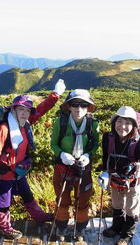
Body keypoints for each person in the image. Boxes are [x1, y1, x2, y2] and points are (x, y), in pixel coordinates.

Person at [0, 79, 66, 239]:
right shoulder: (4, 129)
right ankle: (5, 228)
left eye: (27, 110)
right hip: (4, 174)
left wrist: (55, 95)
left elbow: (41, 110)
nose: (24, 113)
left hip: (19, 172)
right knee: (4, 203)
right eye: (21, 109)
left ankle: (39, 217)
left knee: (27, 196)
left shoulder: (24, 123)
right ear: (13, 109)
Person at [97, 106, 140, 245]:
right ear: (114, 122)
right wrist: (105, 172)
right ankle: (117, 227)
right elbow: (106, 157)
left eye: (128, 123)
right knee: (117, 205)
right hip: (115, 179)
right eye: (119, 121)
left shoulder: (139, 141)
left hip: (133, 182)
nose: (122, 126)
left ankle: (127, 234)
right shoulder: (108, 137)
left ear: (134, 125)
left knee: (131, 209)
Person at [50, 89, 100, 240]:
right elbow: (53, 145)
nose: (79, 108)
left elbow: (95, 145)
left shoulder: (93, 124)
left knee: (83, 199)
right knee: (62, 198)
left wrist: (87, 155)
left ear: (88, 107)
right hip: (63, 168)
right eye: (75, 104)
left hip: (83, 169)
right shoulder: (61, 122)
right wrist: (61, 154)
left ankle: (80, 228)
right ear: (69, 106)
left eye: (83, 105)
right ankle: (61, 227)